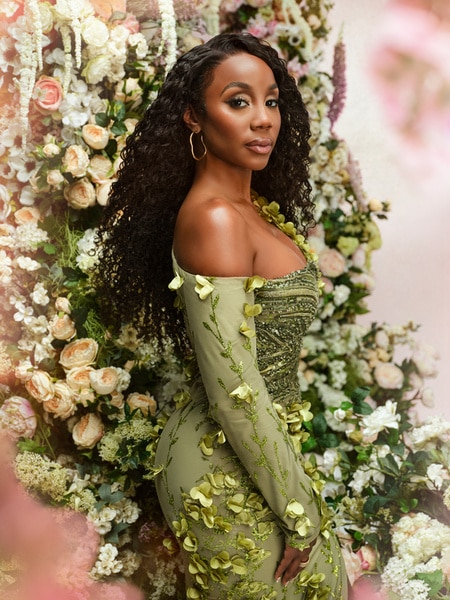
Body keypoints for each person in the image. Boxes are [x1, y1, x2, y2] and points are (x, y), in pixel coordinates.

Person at [95, 33, 348, 600]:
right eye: (238, 101)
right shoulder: (215, 219)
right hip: (217, 466)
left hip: (264, 453)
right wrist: (299, 506)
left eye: (272, 101)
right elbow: (235, 390)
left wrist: (295, 488)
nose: (262, 120)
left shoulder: (250, 208)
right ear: (192, 116)